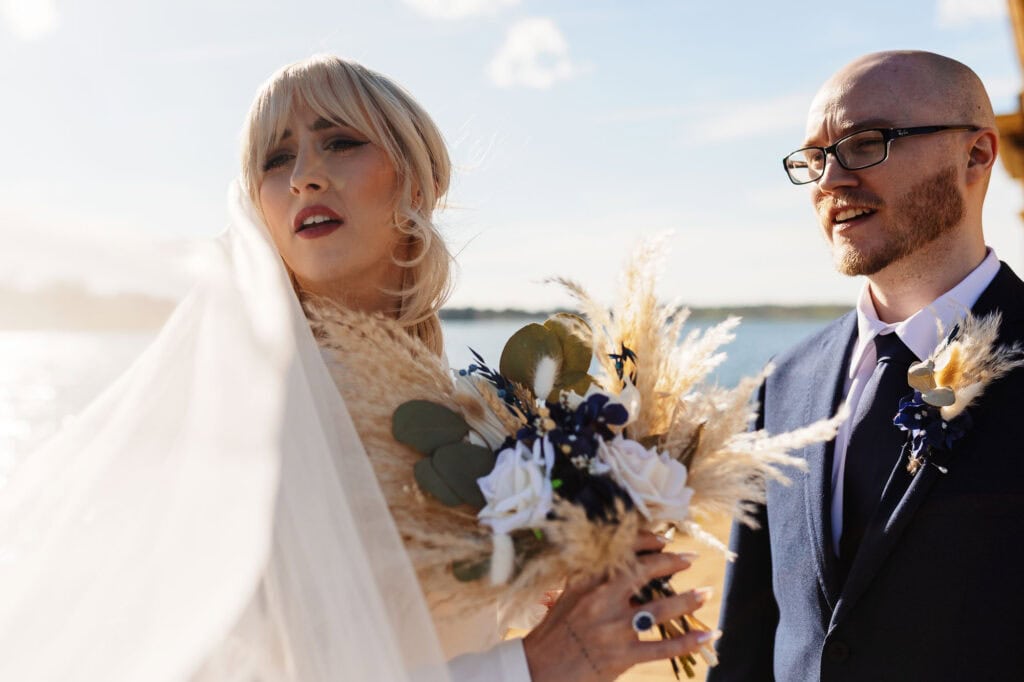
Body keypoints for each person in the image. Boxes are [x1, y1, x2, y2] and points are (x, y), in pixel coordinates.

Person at [0, 55, 710, 682]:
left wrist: (552, 576)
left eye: (340, 141)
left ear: (417, 180)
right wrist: (535, 667)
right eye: (275, 160)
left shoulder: (467, 406)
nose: (306, 175)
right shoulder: (250, 410)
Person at [710, 50, 1024, 681]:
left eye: (865, 144)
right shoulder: (785, 384)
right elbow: (747, 640)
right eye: (814, 158)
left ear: (977, 155)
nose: (830, 180)